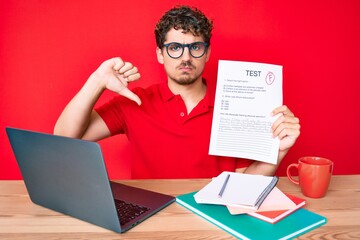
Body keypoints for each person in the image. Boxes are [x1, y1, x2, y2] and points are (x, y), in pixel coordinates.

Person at [54, 5, 300, 179]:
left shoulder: (237, 106)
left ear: (207, 53)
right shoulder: (133, 102)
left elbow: (244, 183)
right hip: (150, 222)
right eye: (174, 47)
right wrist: (97, 81)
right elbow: (65, 138)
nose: (185, 57)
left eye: (195, 47)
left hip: (212, 221)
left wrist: (279, 151)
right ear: (160, 54)